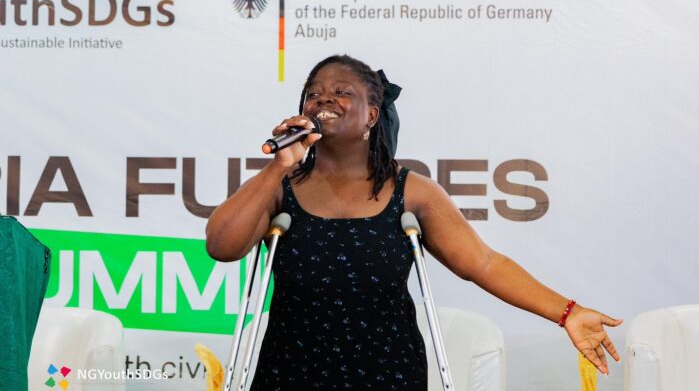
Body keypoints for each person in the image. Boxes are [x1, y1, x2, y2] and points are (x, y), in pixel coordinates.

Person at [205, 55, 622, 390]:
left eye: (341, 92)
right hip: (289, 374)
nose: (323, 99)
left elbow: (484, 264)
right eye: (313, 94)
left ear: (371, 116)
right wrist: (278, 166)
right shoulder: (282, 185)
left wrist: (567, 312)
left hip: (388, 374)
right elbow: (222, 246)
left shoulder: (413, 191)